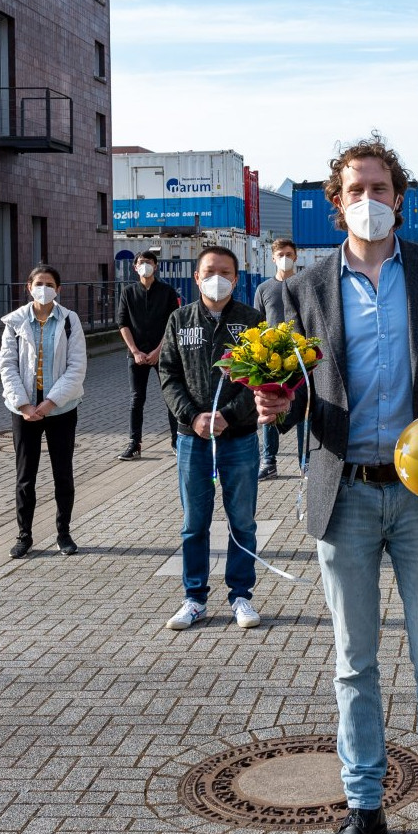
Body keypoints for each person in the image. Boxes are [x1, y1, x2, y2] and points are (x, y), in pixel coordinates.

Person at [254, 136, 418, 834]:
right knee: (354, 665)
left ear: (400, 196)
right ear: (337, 203)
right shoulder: (305, 288)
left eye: (382, 187)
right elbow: (295, 390)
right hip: (346, 494)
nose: (371, 200)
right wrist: (274, 404)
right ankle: (364, 808)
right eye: (357, 188)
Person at [157, 245, 265, 632]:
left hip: (238, 439)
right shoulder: (179, 320)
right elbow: (168, 374)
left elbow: (261, 379)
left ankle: (241, 596)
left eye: (225, 271)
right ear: (196, 277)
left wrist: (228, 416)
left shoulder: (252, 321)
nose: (216, 277)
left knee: (242, 521)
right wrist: (194, 416)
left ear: (236, 279)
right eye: (209, 271)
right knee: (194, 523)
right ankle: (194, 597)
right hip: (192, 439)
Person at [0, 264, 86, 558]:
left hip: (60, 408)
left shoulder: (70, 321)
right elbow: (7, 366)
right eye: (39, 283)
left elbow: (77, 368)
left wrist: (50, 403)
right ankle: (24, 535)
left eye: (49, 284)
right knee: (25, 476)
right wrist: (24, 404)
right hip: (24, 410)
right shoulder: (15, 322)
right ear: (28, 287)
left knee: (63, 473)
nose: (44, 288)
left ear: (58, 289)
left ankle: (64, 533)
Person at [116, 250, 180, 460]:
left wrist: (158, 351)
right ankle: (134, 444)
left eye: (149, 262)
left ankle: (176, 441)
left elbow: (173, 324)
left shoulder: (167, 291)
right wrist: (135, 351)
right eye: (141, 262)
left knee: (171, 397)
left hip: (163, 353)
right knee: (136, 399)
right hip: (136, 355)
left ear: (156, 266)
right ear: (135, 267)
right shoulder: (127, 292)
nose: (145, 266)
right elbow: (123, 323)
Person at [253, 237, 306, 480]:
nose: (284, 258)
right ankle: (269, 461)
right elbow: (258, 324)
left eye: (288, 253)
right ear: (272, 258)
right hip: (272, 362)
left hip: (302, 359)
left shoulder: (305, 285)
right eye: (280, 254)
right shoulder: (264, 289)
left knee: (304, 409)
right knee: (270, 411)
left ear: (295, 256)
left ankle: (306, 462)